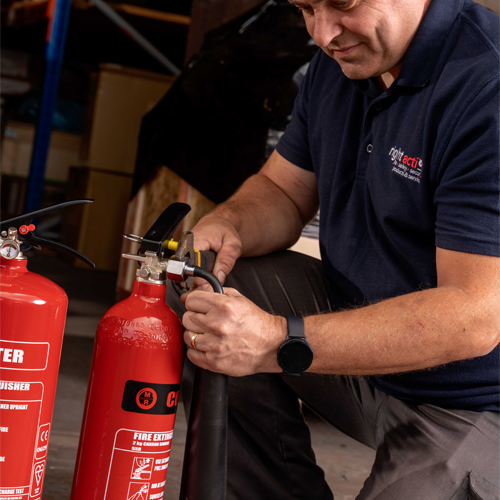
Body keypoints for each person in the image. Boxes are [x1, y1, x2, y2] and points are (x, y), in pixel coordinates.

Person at [167, 0, 500, 498]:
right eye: (305, 8)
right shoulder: (341, 64)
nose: (322, 33)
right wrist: (229, 223)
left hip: (474, 399)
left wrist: (274, 339)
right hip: (366, 357)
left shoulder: (486, 86)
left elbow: (475, 316)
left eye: (343, 4)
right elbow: (283, 191)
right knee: (207, 291)